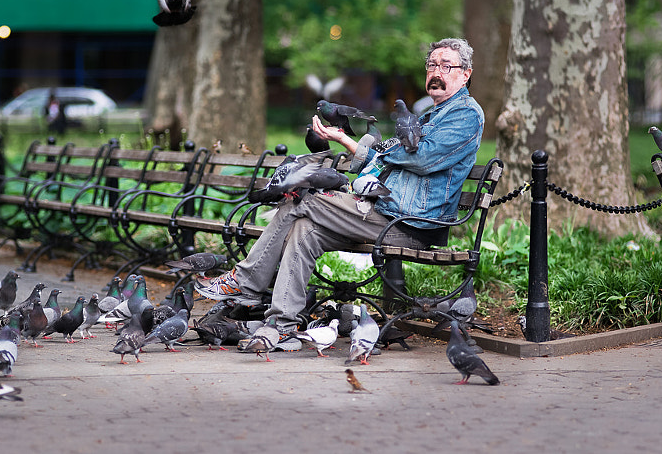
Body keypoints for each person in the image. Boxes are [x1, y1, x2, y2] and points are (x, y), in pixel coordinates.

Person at [195, 37, 485, 350]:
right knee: (304, 230)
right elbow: (389, 161)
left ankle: (245, 281)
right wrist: (344, 140)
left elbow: (424, 159)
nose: (436, 72)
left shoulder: (465, 115)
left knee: (301, 196)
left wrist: (386, 153)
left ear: (465, 73)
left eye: (446, 66)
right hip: (386, 211)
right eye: (432, 65)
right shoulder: (432, 115)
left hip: (410, 222)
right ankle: (283, 327)